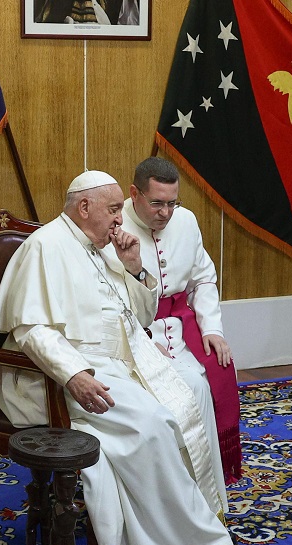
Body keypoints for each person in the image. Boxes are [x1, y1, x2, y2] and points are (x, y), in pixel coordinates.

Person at [0, 170, 253, 545]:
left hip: (117, 361)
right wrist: (73, 373)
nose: (119, 219)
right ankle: (196, 543)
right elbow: (31, 330)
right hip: (57, 377)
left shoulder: (102, 247)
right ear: (84, 207)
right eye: (113, 210)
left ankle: (205, 516)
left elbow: (140, 317)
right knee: (153, 425)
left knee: (189, 393)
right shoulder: (46, 246)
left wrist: (133, 269)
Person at [119, 157, 242, 484]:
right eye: (157, 203)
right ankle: (174, 482)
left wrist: (212, 328)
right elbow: (110, 299)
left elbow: (203, 279)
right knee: (189, 390)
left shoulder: (186, 221)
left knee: (217, 369)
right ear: (134, 193)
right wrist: (142, 340)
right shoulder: (115, 228)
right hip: (139, 331)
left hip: (182, 325)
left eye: (173, 203)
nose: (166, 213)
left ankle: (207, 484)